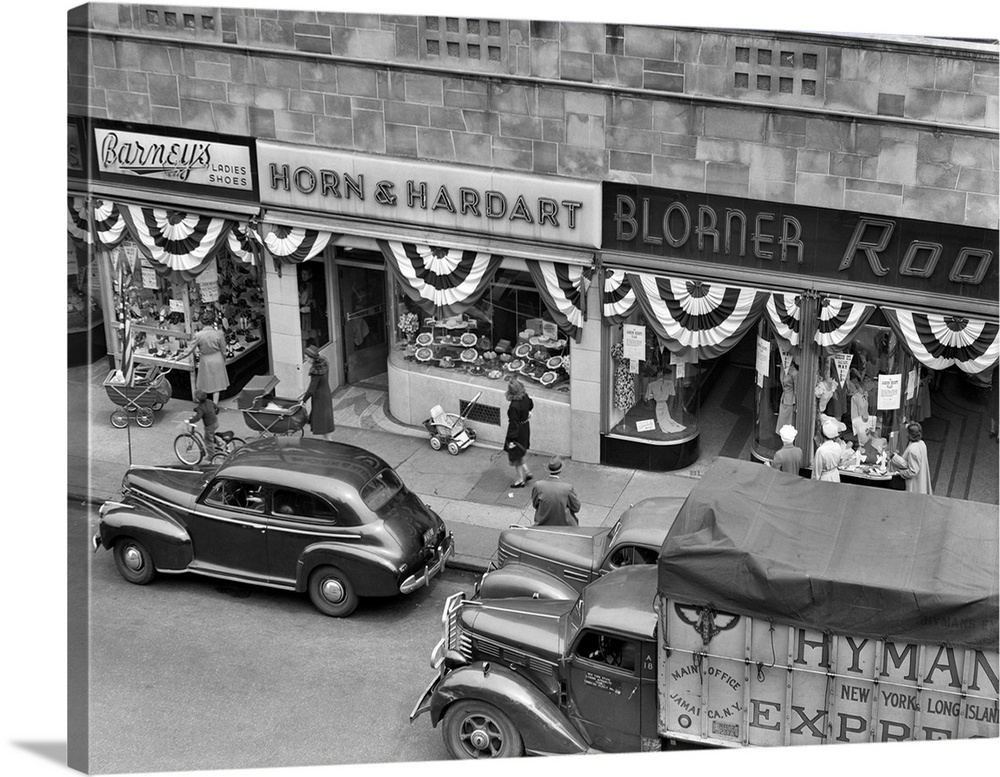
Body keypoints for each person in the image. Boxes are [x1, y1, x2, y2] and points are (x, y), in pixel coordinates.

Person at [177, 310, 230, 404]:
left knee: (204, 382)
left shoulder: (199, 335)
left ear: (202, 322)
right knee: (217, 384)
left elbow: (189, 349)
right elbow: (223, 350)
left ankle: (203, 403)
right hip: (217, 358)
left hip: (205, 359)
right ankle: (215, 404)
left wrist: (179, 357)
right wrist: (223, 359)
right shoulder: (219, 333)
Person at [531, 456, 581, 526]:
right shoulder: (567, 488)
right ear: (560, 471)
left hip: (543, 524)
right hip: (564, 525)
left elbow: (535, 505)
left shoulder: (538, 485)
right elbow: (576, 508)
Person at [301, 345, 335, 441]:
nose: (305, 359)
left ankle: (329, 441)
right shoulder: (323, 364)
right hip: (326, 393)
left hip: (319, 397)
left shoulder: (316, 371)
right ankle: (327, 439)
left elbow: (311, 389)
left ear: (311, 358)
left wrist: (303, 400)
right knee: (326, 418)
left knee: (322, 418)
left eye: (306, 357)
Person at [505, 377, 534, 487]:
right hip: (525, 427)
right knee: (521, 451)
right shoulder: (525, 396)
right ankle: (527, 472)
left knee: (516, 454)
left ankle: (520, 479)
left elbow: (513, 424)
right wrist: (527, 413)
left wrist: (511, 440)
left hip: (517, 432)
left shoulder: (514, 406)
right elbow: (531, 405)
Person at [892, 422, 933, 494]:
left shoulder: (913, 450)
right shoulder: (922, 443)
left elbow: (913, 471)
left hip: (914, 486)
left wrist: (900, 473)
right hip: (921, 482)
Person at [188, 390, 218, 459]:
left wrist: (190, 421)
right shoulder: (209, 401)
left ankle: (211, 457)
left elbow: (198, 417)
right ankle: (220, 443)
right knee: (211, 435)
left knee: (208, 441)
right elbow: (216, 408)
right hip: (215, 422)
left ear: (197, 400)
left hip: (209, 425)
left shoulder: (200, 408)